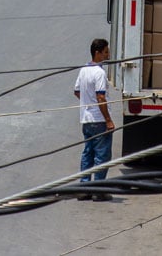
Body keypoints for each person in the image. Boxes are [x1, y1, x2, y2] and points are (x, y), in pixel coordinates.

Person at [71, 38, 114, 201]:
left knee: (87, 153)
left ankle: (84, 187)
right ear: (97, 53)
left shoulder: (84, 70)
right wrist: (108, 120)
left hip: (86, 119)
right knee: (102, 155)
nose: (108, 55)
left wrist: (87, 104)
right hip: (99, 120)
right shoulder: (99, 72)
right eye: (105, 52)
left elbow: (76, 91)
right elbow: (101, 97)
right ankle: (99, 189)